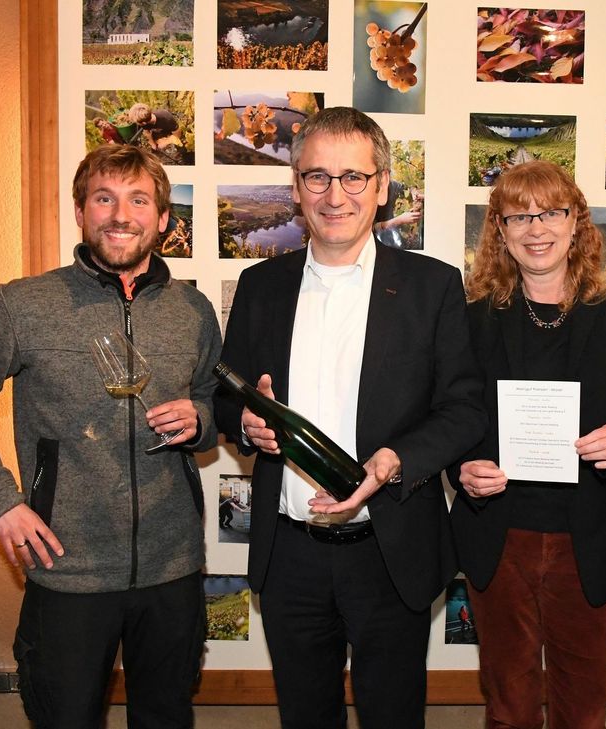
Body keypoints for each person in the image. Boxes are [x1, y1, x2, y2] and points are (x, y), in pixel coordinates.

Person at [0, 144, 223, 728]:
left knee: (165, 714)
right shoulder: (23, 305)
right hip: (66, 566)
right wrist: (1, 504)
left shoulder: (192, 310)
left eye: (139, 200)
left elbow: (213, 401)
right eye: (104, 198)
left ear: (163, 219)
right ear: (81, 213)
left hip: (172, 565)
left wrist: (201, 420)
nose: (121, 214)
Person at [215, 106, 486, 729]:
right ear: (295, 187)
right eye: (316, 177)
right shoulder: (259, 285)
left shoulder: (433, 286)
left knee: (393, 716)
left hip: (389, 548)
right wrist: (244, 424)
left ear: (382, 187)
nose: (334, 195)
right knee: (305, 716)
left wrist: (397, 461)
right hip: (291, 554)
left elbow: (464, 406)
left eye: (353, 178)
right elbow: (226, 397)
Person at [450, 159, 606, 729]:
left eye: (552, 213)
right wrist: (463, 469)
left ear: (576, 224)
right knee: (508, 702)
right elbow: (453, 423)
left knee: (583, 703)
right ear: (500, 231)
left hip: (587, 535)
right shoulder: (471, 322)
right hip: (499, 532)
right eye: (520, 216)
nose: (536, 229)